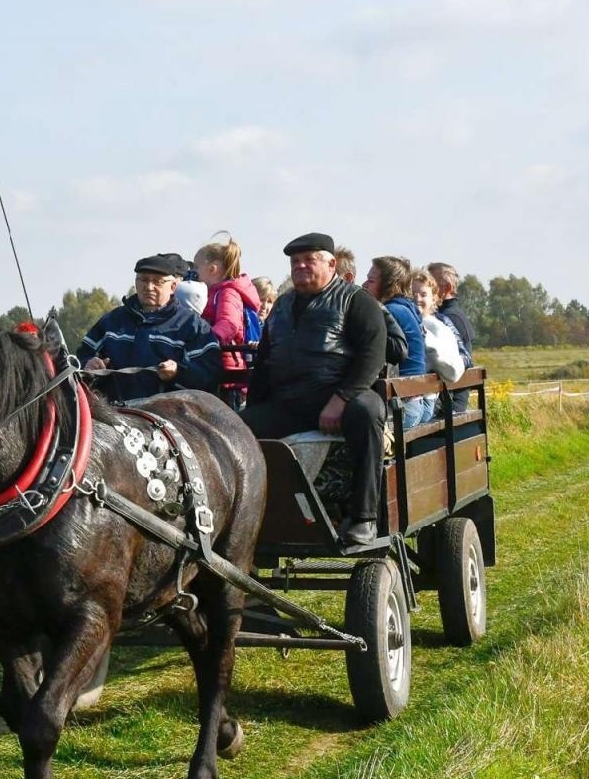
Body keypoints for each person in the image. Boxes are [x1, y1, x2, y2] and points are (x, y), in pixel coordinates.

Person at [244, 232, 389, 549]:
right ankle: (248, 520)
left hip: (341, 397)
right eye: (295, 262)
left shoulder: (356, 301)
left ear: (332, 263)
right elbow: (265, 365)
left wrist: (342, 399)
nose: (300, 267)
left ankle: (364, 518)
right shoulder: (281, 307)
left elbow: (372, 356)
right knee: (237, 430)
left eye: (309, 260)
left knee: (368, 411)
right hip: (289, 404)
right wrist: (249, 410)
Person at [78, 253, 221, 402]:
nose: (149, 287)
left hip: (168, 416)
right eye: (143, 280)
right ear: (136, 283)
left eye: (157, 282)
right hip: (112, 412)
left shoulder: (192, 326)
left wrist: (177, 373)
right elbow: (81, 356)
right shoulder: (113, 320)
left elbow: (210, 375)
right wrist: (88, 363)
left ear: (172, 287)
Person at [194, 234, 263, 406]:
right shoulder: (218, 292)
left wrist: (206, 341)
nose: (195, 272)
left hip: (227, 372)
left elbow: (229, 324)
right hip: (222, 366)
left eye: (197, 267)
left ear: (212, 269)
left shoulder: (226, 293)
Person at [364, 256, 428, 428]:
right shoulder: (405, 308)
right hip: (415, 399)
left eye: (370, 280)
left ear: (389, 284)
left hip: (402, 405)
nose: (364, 285)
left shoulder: (390, 311)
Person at [410, 269, 465, 420]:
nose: (417, 298)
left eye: (423, 294)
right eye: (412, 294)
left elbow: (453, 371)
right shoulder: (411, 322)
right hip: (413, 395)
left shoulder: (437, 328)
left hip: (426, 401)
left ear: (434, 298)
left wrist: (430, 346)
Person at [426, 262, 475, 366]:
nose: (426, 288)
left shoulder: (450, 317)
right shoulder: (452, 314)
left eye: (431, 284)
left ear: (447, 288)